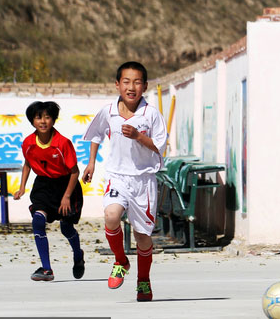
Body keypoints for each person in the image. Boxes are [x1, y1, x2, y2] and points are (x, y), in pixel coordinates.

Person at [82, 61, 168, 302]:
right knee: (111, 216)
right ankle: (120, 260)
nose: (132, 87)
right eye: (127, 82)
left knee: (142, 237)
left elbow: (160, 147)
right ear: (117, 84)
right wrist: (91, 163)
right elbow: (96, 135)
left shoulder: (151, 114)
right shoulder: (108, 110)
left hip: (143, 181)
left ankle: (143, 281)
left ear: (145, 86)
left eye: (137, 82)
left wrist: (140, 136)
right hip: (117, 176)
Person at [13, 101, 85, 282]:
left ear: (53, 120)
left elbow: (74, 172)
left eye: (47, 117)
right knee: (38, 220)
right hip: (44, 186)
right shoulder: (28, 143)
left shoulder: (63, 143)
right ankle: (46, 269)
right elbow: (28, 164)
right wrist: (22, 187)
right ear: (32, 121)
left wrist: (67, 197)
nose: (43, 121)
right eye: (39, 117)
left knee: (66, 228)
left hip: (66, 185)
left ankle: (78, 254)